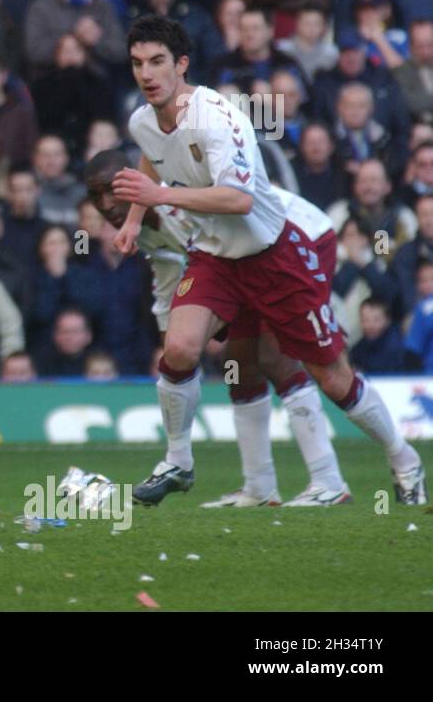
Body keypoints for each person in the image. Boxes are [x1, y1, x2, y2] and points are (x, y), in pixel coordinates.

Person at [112, 14, 425, 506]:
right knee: (180, 349)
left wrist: (159, 194)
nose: (146, 73)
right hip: (216, 255)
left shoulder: (219, 117)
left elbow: (237, 200)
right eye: (137, 64)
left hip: (274, 254)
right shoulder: (142, 119)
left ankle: (403, 458)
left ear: (182, 65)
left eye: (157, 62)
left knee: (331, 376)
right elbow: (152, 154)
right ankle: (180, 462)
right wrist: (136, 215)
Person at [87, 148, 354, 506]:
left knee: (276, 357)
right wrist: (178, 346)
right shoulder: (144, 228)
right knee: (240, 367)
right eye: (95, 195)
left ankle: (330, 481)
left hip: (300, 235)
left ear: (138, 180)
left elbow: (232, 215)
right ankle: (259, 488)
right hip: (243, 258)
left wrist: (201, 326)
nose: (105, 203)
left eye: (113, 189)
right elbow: (170, 277)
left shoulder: (175, 199)